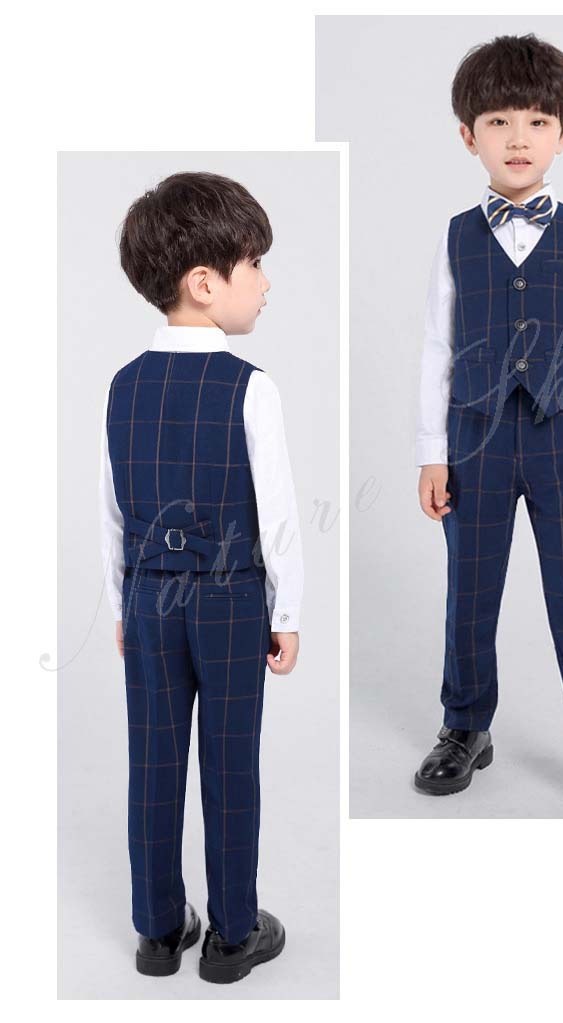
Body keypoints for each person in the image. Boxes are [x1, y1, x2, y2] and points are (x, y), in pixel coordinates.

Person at [414, 34, 563, 817]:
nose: (517, 138)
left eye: (536, 121)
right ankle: (464, 725)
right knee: (470, 591)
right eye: (498, 121)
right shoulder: (456, 235)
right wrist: (431, 452)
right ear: (468, 136)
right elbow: (437, 347)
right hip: (476, 440)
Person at [99, 171, 303, 981]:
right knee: (229, 763)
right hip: (228, 601)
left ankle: (156, 932)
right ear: (205, 282)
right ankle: (232, 935)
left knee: (152, 762)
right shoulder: (250, 388)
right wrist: (287, 612)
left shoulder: (122, 386)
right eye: (255, 264)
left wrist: (122, 606)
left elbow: (113, 511)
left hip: (150, 598)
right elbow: (277, 515)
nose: (266, 282)